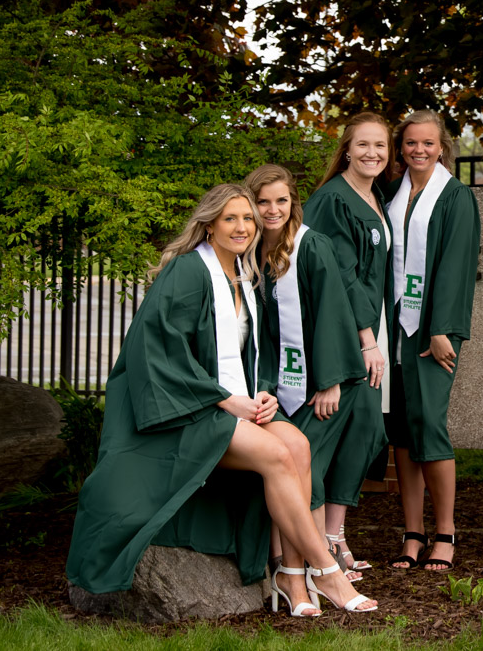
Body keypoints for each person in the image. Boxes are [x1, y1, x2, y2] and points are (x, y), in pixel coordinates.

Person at [66, 184, 375, 615]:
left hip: (237, 405)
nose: (243, 227)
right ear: (209, 224)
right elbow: (155, 352)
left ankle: (289, 574)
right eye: (231, 218)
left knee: (299, 446)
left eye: (248, 218)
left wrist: (263, 391)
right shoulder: (188, 272)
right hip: (191, 411)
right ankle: (327, 572)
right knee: (276, 455)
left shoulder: (243, 279)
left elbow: (253, 354)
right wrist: (224, 400)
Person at [246, 164, 370, 581]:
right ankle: (288, 565)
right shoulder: (252, 250)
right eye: (263, 201)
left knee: (307, 467)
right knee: (288, 466)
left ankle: (317, 565)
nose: (272, 209)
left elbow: (334, 311)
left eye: (281, 200)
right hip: (279, 383)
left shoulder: (311, 245)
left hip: (326, 383)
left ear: (293, 203)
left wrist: (330, 380)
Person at [385, 110, 481, 572]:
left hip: (431, 331)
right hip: (394, 327)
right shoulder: (393, 194)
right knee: (402, 430)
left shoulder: (455, 197)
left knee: (429, 423)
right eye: (410, 144)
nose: (418, 151)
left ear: (441, 147)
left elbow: (456, 265)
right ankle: (412, 533)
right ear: (400, 148)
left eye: (427, 143)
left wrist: (442, 328)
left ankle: (445, 533)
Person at [303, 113, 394, 575]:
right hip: (344, 335)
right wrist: (364, 339)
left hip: (371, 333)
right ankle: (311, 540)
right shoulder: (332, 200)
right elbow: (337, 274)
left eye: (380, 146)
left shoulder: (375, 195)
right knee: (331, 434)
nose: (372, 154)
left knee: (365, 433)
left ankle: (335, 535)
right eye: (363, 145)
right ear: (346, 148)